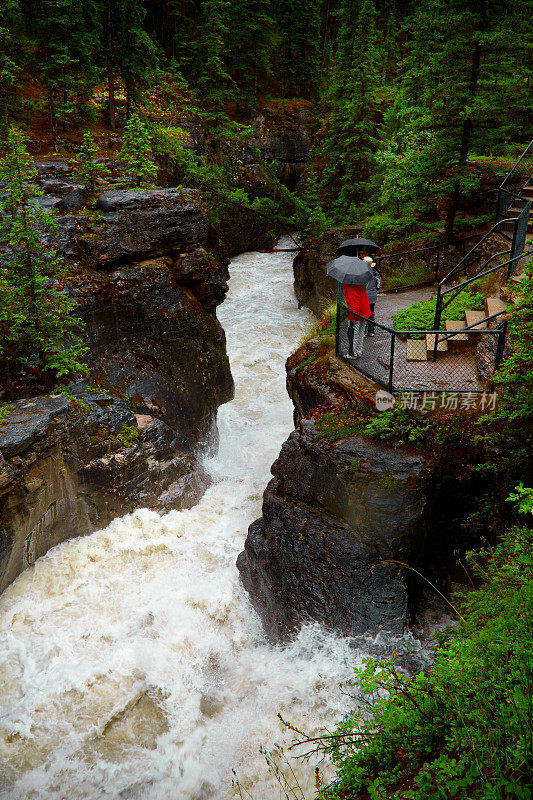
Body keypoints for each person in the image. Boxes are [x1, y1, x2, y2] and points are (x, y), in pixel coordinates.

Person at [341, 281, 371, 358]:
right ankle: (358, 351)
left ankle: (352, 353)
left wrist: (354, 316)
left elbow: (353, 302)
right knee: (361, 333)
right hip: (365, 311)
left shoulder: (350, 286)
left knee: (354, 334)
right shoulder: (361, 281)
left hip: (357, 313)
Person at [363, 255, 382, 336]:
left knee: (363, 313)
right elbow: (379, 285)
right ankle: (371, 331)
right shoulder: (375, 273)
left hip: (364, 296)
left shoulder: (362, 273)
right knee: (371, 313)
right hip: (373, 296)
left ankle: (363, 332)